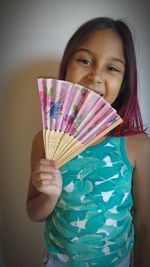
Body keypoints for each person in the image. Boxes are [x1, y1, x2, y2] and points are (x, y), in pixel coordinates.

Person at [26, 17, 150, 267]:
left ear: (125, 82)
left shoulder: (138, 146)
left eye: (112, 68)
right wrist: (50, 196)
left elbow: (145, 222)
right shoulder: (45, 140)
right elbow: (33, 212)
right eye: (84, 60)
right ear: (66, 65)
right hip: (56, 261)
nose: (95, 75)